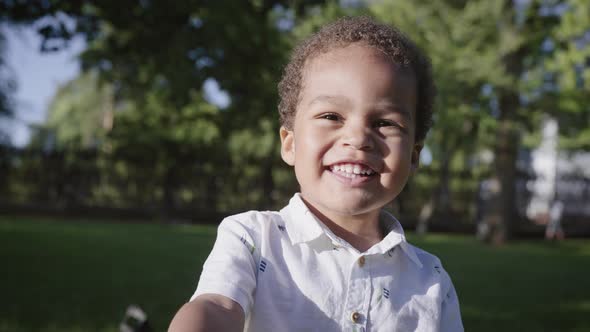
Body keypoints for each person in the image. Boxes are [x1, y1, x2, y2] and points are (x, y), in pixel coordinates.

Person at [169, 16, 464, 332]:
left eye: (385, 123)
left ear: (414, 155)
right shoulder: (252, 238)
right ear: (291, 143)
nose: (359, 138)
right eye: (331, 116)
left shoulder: (431, 279)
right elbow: (217, 306)